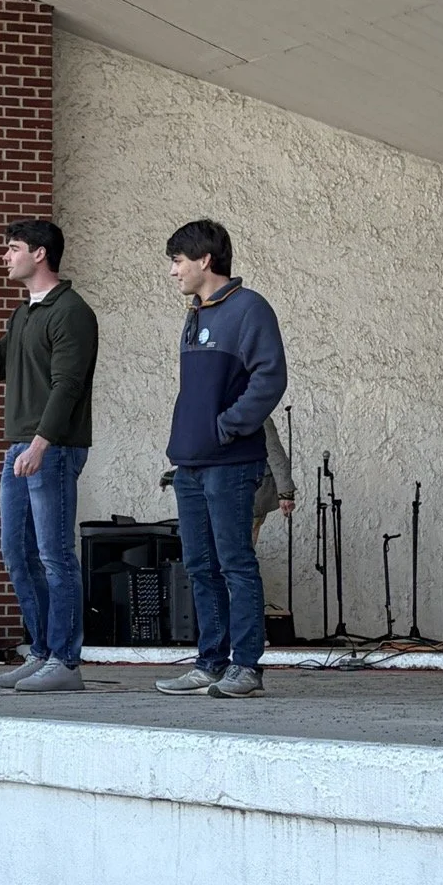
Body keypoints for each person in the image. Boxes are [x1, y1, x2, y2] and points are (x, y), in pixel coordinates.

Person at [0, 219, 98, 692]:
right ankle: (39, 650)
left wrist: (41, 444)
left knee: (55, 555)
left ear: (40, 254)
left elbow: (68, 386)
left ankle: (65, 661)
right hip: (20, 445)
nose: (5, 257)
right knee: (17, 553)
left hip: (52, 447)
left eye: (13, 249)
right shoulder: (23, 314)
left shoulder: (70, 311)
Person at [156, 221, 287, 699]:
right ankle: (210, 663)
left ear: (205, 260)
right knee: (198, 565)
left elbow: (269, 380)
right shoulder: (195, 313)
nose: (173, 271)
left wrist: (225, 428)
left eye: (177, 261)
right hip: (190, 466)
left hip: (231, 464)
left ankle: (246, 667)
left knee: (235, 563)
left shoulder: (250, 309)